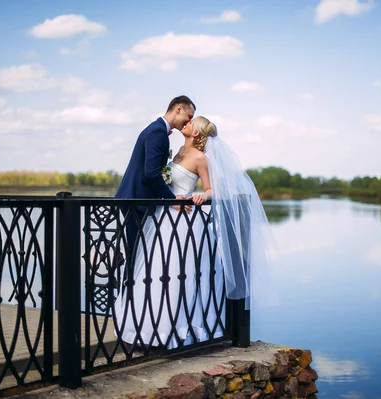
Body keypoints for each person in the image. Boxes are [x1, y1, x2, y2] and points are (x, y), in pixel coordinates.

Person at [114, 116, 276, 350]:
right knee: (154, 268)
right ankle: (148, 325)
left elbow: (211, 189)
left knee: (180, 273)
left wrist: (202, 196)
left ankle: (177, 329)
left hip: (184, 220)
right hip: (163, 216)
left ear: (196, 134)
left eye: (191, 123)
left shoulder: (201, 158)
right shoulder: (178, 151)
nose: (186, 124)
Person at [114, 95, 196, 274]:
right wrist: (172, 199)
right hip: (136, 199)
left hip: (136, 198)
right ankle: (130, 297)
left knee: (139, 253)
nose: (189, 121)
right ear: (178, 109)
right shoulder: (158, 132)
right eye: (189, 116)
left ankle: (134, 296)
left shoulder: (157, 129)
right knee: (136, 254)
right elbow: (151, 173)